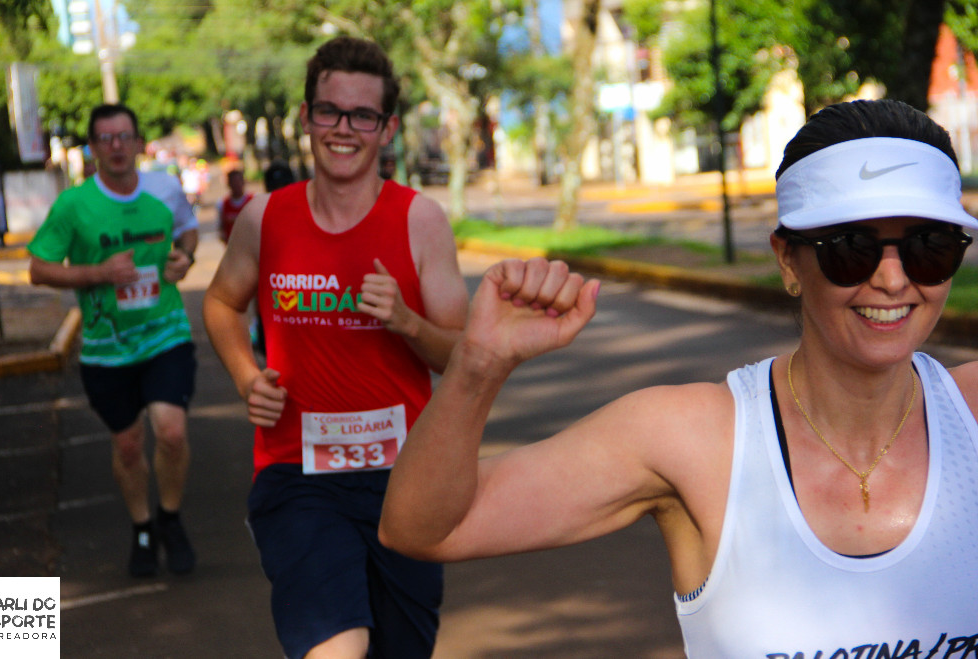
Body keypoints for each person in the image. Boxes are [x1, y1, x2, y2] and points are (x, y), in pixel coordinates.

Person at [379, 99, 978, 655]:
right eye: (852, 247)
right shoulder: (694, 439)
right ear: (787, 260)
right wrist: (479, 365)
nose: (895, 281)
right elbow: (426, 528)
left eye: (929, 247)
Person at [203, 36, 469, 659]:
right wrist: (247, 376)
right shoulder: (265, 219)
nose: (343, 129)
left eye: (362, 116)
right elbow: (220, 302)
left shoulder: (420, 221)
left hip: (405, 481)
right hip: (298, 474)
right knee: (336, 650)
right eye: (329, 111)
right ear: (307, 117)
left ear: (387, 128)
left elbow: (460, 356)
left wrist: (406, 320)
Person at [28, 102, 199, 578]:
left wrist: (182, 259)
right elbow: (39, 268)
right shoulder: (74, 205)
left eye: (124, 136)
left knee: (171, 430)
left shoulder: (165, 190)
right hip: (107, 348)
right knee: (128, 445)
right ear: (95, 147)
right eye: (106, 138)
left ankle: (170, 516)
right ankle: (142, 528)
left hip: (165, 333)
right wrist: (98, 273)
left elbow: (186, 236)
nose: (117, 146)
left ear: (139, 142)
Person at [217, 167, 253, 244]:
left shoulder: (253, 200)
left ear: (243, 182)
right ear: (229, 184)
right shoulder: (222, 204)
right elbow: (221, 228)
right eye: (233, 182)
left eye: (238, 182)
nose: (236, 185)